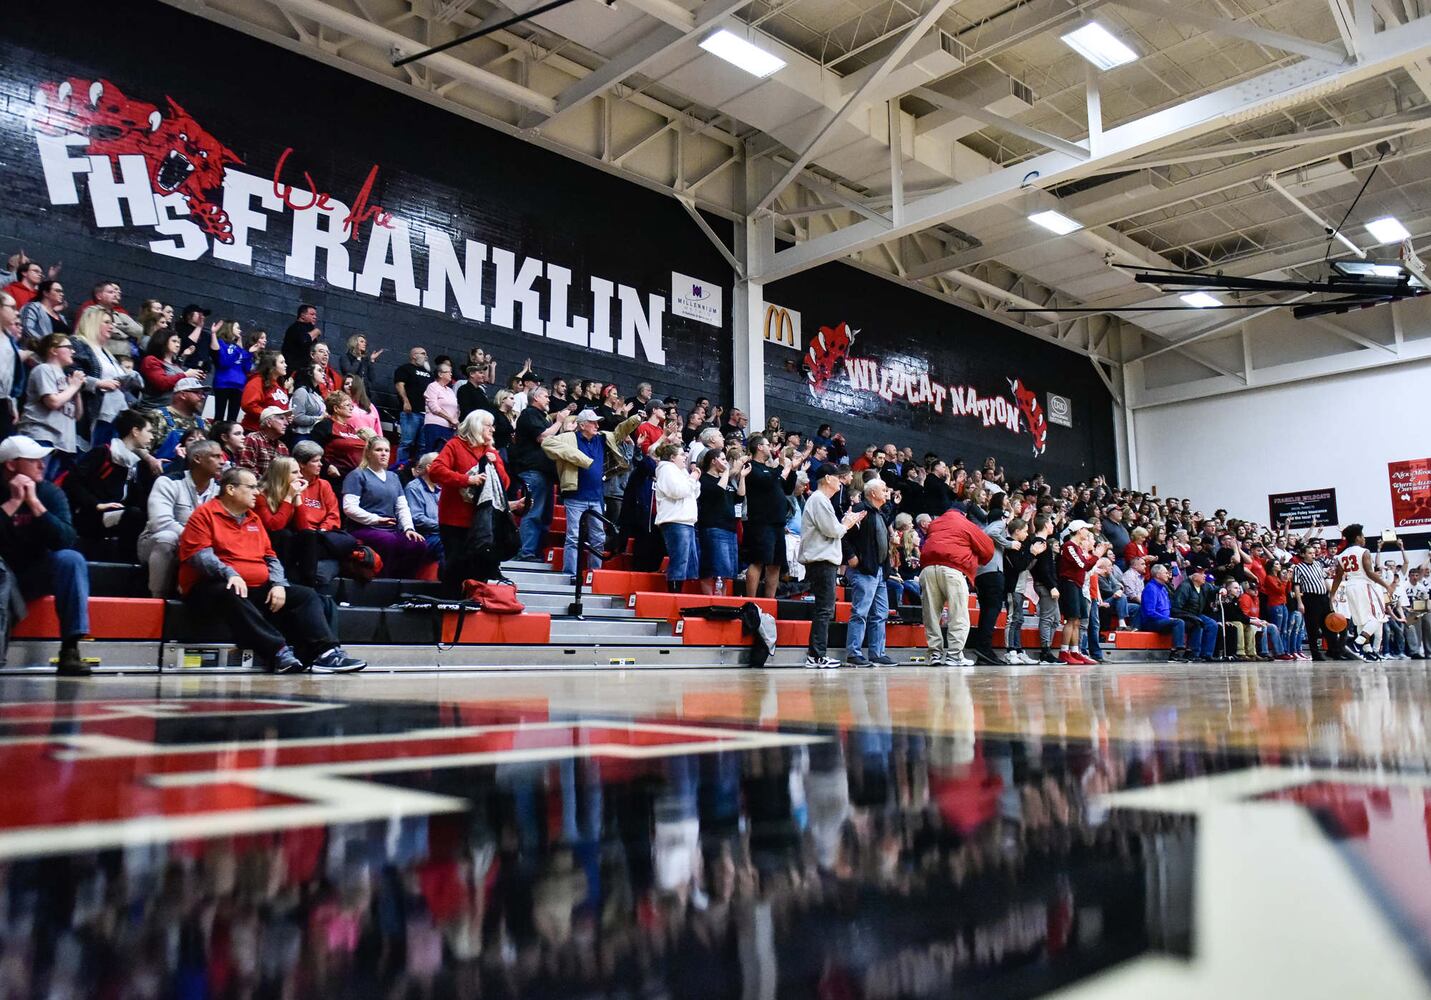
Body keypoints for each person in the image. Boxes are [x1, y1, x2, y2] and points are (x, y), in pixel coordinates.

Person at [178, 467, 365, 674]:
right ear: (230, 489)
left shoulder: (253, 518)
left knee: (306, 595)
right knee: (231, 590)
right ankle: (279, 652)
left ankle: (326, 654)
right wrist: (230, 573)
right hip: (210, 586)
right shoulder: (204, 514)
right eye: (251, 487)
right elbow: (200, 556)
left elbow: (270, 556)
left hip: (255, 586)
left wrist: (278, 584)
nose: (257, 492)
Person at [0, 436, 94, 674]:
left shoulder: (49, 492)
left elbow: (66, 539)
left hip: (34, 570)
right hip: (3, 570)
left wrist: (34, 504)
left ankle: (70, 650)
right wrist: (12, 503)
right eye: (34, 461)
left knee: (71, 559)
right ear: (11, 464)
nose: (43, 465)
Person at [429, 409, 526, 591]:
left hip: (482, 521)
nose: (493, 430)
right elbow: (435, 471)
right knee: (456, 565)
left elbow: (503, 484)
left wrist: (494, 458)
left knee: (480, 566)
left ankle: (474, 606)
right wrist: (466, 480)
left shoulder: (489, 450)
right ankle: (451, 605)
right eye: (489, 426)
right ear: (476, 425)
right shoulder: (455, 445)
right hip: (455, 519)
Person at [541, 407, 641, 580]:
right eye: (592, 422)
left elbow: (620, 431)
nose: (596, 425)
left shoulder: (602, 438)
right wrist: (578, 457)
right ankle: (570, 574)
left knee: (598, 537)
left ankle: (594, 575)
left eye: (597, 422)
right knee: (573, 537)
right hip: (575, 495)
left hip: (596, 497)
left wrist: (635, 420)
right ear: (582, 425)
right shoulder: (569, 437)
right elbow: (546, 442)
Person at [799, 464, 866, 669]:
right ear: (828, 478)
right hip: (821, 561)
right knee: (824, 609)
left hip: (823, 560)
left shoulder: (822, 501)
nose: (841, 481)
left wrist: (845, 522)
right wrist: (847, 522)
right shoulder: (819, 499)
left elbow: (833, 529)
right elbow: (833, 530)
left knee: (825, 609)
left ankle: (816, 654)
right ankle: (816, 655)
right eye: (838, 477)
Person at [256, 441, 351, 587]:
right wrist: (289, 497)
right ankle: (285, 582)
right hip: (271, 540)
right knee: (285, 535)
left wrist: (298, 496)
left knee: (309, 536)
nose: (300, 475)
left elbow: (305, 527)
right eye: (295, 472)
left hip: (316, 536)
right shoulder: (262, 495)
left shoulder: (321, 485)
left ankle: (309, 585)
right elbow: (275, 527)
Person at [139, 440, 223, 598]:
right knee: (167, 538)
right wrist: (196, 539)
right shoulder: (168, 482)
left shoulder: (221, 491)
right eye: (216, 456)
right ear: (197, 459)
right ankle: (157, 599)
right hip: (156, 542)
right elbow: (160, 523)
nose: (223, 461)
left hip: (202, 546)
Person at [64, 408, 152, 558]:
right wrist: (96, 504)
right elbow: (72, 481)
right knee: (134, 516)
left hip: (116, 514)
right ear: (135, 431)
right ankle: (127, 564)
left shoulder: (135, 462)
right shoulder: (102, 453)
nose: (152, 436)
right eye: (149, 431)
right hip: (90, 516)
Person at [341, 437, 431, 579]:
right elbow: (349, 507)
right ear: (369, 453)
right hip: (363, 528)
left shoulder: (393, 477)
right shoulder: (357, 475)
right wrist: (376, 520)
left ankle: (404, 582)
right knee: (387, 541)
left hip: (390, 530)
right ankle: (383, 581)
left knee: (418, 544)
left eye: (387, 450)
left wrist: (409, 528)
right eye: (378, 450)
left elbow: (402, 507)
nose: (383, 453)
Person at [918, 505, 995, 667]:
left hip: (927, 569)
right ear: (964, 513)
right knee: (958, 614)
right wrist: (976, 559)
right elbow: (988, 547)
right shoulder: (965, 523)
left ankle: (935, 654)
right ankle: (954, 655)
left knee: (931, 614)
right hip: (953, 569)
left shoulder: (935, 523)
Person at [843, 478, 898, 667]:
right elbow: (842, 532)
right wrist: (851, 556)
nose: (886, 492)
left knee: (880, 613)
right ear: (873, 493)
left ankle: (877, 653)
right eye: (883, 489)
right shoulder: (860, 509)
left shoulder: (879, 512)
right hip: (865, 570)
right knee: (860, 612)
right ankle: (854, 653)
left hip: (880, 570)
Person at [17, 333, 86, 479]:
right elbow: (53, 402)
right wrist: (73, 387)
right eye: (68, 347)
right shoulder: (44, 369)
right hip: (42, 436)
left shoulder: (68, 378)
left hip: (62, 443)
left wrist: (77, 391)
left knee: (46, 487)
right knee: (33, 483)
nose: (73, 351)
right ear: (54, 350)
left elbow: (77, 415)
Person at [70, 305, 136, 449]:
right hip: (95, 414)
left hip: (114, 415)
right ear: (92, 322)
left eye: (112, 323)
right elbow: (72, 372)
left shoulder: (106, 352)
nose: (111, 327)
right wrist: (98, 383)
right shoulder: (78, 343)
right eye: (106, 322)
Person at [509, 385, 561, 561]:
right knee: (534, 511)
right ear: (536, 398)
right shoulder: (529, 414)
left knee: (545, 515)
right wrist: (560, 422)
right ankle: (526, 552)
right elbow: (543, 438)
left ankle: (535, 551)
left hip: (545, 472)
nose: (548, 399)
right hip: (533, 470)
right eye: (546, 396)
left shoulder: (542, 417)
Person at [742, 434, 797, 599]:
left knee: (776, 564)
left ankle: (769, 601)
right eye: (767, 445)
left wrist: (792, 469)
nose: (771, 448)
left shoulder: (771, 470)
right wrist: (783, 467)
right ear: (759, 447)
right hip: (761, 522)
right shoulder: (751, 466)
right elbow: (767, 482)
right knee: (758, 560)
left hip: (778, 522)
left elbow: (787, 488)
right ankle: (751, 599)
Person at [1330, 523, 1395, 658]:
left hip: (1350, 587)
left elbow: (1338, 577)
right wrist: (1386, 585)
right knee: (1378, 617)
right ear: (1358, 538)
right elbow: (1370, 573)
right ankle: (1357, 642)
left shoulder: (1341, 555)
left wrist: (1332, 594)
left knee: (1361, 621)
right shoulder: (1364, 551)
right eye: (1363, 536)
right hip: (1364, 585)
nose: (1364, 539)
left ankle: (1368, 652)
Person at [652, 441, 701, 593]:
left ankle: (677, 592)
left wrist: (693, 479)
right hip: (675, 521)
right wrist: (693, 478)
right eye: (681, 454)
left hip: (686, 521)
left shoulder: (681, 471)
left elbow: (694, 493)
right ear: (672, 457)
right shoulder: (666, 470)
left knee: (686, 562)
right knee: (679, 560)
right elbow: (678, 491)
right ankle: (674, 594)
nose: (685, 457)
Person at [1055, 521, 1106, 665]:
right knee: (1071, 619)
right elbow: (1083, 565)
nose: (1087, 532)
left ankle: (1075, 651)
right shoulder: (1069, 546)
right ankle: (1064, 652)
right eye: (1085, 529)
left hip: (1077, 585)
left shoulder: (1076, 547)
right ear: (1078, 530)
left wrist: (1095, 557)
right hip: (1069, 584)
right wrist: (1097, 555)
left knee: (1077, 620)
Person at [695, 448, 744, 596]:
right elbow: (717, 492)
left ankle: (722, 598)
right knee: (712, 566)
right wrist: (728, 471)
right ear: (713, 461)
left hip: (729, 527)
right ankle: (709, 598)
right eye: (722, 459)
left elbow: (739, 497)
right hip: (713, 527)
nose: (725, 462)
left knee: (726, 570)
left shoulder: (725, 480)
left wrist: (742, 477)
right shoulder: (704, 479)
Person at [137, 329, 204, 413]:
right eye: (174, 341)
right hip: (152, 411)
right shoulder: (150, 360)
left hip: (172, 411)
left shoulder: (175, 365)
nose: (178, 345)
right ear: (162, 341)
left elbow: (179, 382)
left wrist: (195, 376)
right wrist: (186, 375)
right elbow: (162, 383)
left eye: (178, 342)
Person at [311, 390, 369, 485]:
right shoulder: (324, 425)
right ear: (336, 408)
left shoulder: (351, 428)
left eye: (352, 406)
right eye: (347, 405)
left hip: (357, 479)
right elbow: (312, 450)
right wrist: (327, 466)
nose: (351, 408)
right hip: (336, 479)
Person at [1139, 564, 1191, 660]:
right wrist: (1168, 618)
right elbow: (1150, 612)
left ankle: (1194, 653)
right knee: (1178, 622)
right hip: (1152, 622)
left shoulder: (1163, 588)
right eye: (1166, 573)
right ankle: (1176, 652)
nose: (1168, 575)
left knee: (1194, 623)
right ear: (1158, 575)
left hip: (1164, 620)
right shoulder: (1150, 588)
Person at [393, 346, 433, 467]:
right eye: (423, 353)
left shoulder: (428, 373)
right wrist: (406, 401)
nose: (426, 356)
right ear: (414, 355)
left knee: (422, 445)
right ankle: (400, 468)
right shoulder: (405, 369)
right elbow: (400, 385)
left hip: (426, 414)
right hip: (411, 412)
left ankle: (418, 470)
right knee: (407, 442)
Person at [211, 321, 258, 423]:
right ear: (229, 328)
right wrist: (238, 350)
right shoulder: (221, 343)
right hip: (223, 384)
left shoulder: (238, 348)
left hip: (238, 386)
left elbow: (247, 368)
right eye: (237, 327)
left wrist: (249, 354)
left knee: (232, 419)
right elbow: (224, 362)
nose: (240, 330)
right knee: (219, 416)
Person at [1172, 567, 1219, 662]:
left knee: (1212, 624)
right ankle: (1194, 653)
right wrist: (1190, 616)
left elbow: (1214, 589)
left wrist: (1221, 589)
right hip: (1185, 615)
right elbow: (1176, 607)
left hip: (1197, 614)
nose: (1204, 575)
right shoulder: (1185, 587)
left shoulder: (1204, 586)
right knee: (1198, 622)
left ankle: (1207, 654)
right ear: (1194, 576)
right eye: (1201, 574)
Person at [404, 452, 443, 562]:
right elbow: (417, 518)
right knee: (447, 543)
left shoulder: (441, 488)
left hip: (440, 533)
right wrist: (443, 527)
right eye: (441, 465)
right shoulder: (414, 488)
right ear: (429, 468)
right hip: (424, 536)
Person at [240, 353, 290, 432]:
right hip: (254, 430)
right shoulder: (256, 381)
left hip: (272, 433)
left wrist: (286, 417)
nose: (286, 365)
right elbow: (248, 405)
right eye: (282, 362)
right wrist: (270, 416)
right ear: (272, 366)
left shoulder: (279, 383)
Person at [239, 406, 292, 479]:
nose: (286, 423)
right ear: (269, 422)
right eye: (281, 418)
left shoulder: (283, 447)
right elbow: (246, 470)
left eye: (286, 419)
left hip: (276, 488)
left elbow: (285, 474)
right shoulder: (253, 439)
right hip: (256, 487)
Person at [423, 358, 460, 454]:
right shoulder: (432, 386)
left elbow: (455, 409)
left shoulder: (450, 390)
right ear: (440, 374)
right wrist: (451, 419)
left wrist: (456, 422)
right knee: (432, 454)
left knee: (445, 455)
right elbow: (434, 407)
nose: (451, 374)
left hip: (450, 428)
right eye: (448, 372)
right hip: (435, 426)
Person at [280, 303, 321, 375]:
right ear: (302, 315)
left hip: (305, 370)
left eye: (315, 315)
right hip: (293, 371)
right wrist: (316, 332)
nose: (315, 317)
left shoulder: (308, 328)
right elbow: (305, 341)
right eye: (312, 314)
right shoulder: (295, 328)